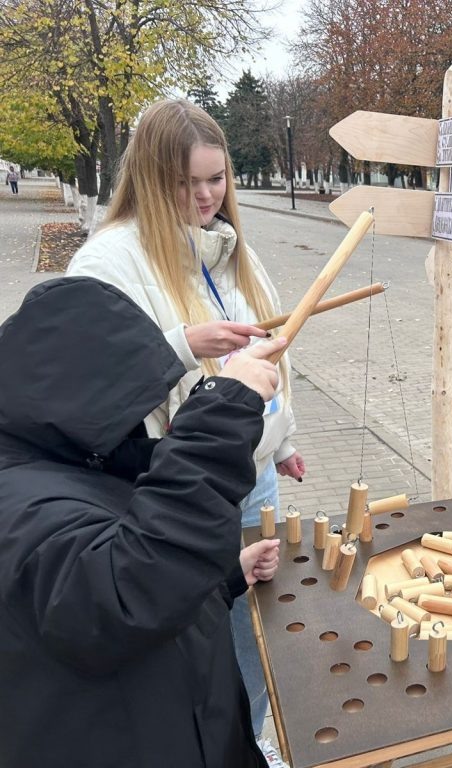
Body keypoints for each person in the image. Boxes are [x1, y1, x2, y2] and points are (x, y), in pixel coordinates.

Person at [66, 98, 303, 737]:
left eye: (216, 179)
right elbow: (85, 390)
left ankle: (253, 737)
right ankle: (218, 741)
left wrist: (282, 438)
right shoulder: (107, 260)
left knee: (258, 622)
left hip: (254, 478)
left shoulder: (232, 250)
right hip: (183, 485)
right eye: (187, 181)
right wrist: (179, 345)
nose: (206, 196)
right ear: (149, 174)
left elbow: (274, 354)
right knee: (201, 631)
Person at [0, 276, 284, 767]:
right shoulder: (18, 501)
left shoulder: (68, 459)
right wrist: (223, 412)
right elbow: (123, 594)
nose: (141, 418)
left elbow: (135, 580)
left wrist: (222, 578)